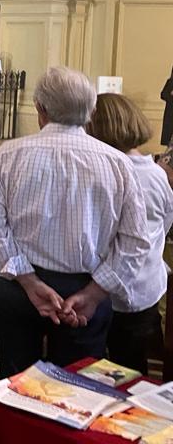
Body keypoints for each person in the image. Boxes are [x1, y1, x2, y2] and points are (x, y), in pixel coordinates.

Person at [0, 67, 150, 376]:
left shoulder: (9, 155)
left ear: (40, 109)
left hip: (19, 287)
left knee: (18, 383)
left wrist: (29, 282)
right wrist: (95, 293)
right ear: (91, 111)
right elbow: (135, 241)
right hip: (85, 287)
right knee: (78, 386)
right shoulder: (119, 164)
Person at [86, 93, 173, 375]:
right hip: (145, 289)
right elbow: (165, 222)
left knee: (98, 369)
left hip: (104, 292)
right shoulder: (157, 174)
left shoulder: (103, 172)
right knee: (133, 370)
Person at [160, 65, 173, 146]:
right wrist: (171, 95)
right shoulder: (170, 82)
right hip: (170, 112)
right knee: (169, 133)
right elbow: (163, 95)